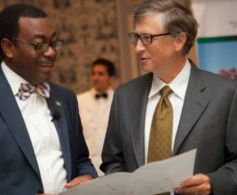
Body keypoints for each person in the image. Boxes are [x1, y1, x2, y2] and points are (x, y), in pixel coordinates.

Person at [0, 4, 97, 195]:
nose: (51, 52)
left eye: (54, 43)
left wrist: (88, 177)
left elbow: (81, 160)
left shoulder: (65, 97)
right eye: (39, 45)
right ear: (8, 47)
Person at [101, 0, 237, 194]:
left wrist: (213, 183)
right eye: (135, 37)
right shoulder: (125, 96)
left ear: (179, 40)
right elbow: (113, 161)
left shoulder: (226, 93)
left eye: (147, 38)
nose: (138, 47)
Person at [77, 58, 115, 176]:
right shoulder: (79, 100)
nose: (95, 77)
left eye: (101, 74)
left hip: (112, 168)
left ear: (111, 78)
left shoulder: (119, 100)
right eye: (93, 73)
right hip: (87, 170)